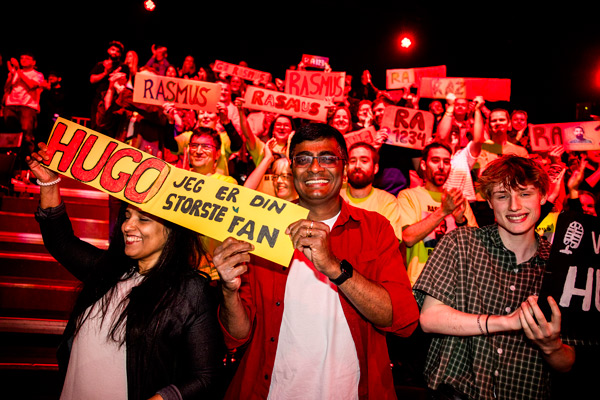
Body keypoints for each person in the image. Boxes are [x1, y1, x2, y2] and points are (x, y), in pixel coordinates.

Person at [213, 122, 419, 399]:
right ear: (292, 169)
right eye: (303, 159)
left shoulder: (375, 228)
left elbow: (403, 320)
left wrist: (334, 267)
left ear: (344, 169)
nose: (314, 168)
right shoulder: (265, 227)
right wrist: (229, 290)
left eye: (327, 158)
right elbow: (237, 335)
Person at [26, 144, 224, 400]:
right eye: (127, 215)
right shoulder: (109, 270)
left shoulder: (190, 290)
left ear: (172, 230)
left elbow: (207, 376)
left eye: (143, 219)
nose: (127, 226)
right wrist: (49, 182)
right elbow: (59, 241)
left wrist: (163, 398)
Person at [413, 155, 575, 400]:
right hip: (455, 393)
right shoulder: (461, 243)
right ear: (489, 201)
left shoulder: (561, 267)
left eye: (525, 194)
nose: (514, 206)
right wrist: (506, 322)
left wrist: (551, 346)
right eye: (502, 196)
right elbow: (429, 318)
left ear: (543, 196)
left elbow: (567, 362)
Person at [397, 142, 478, 286]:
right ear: (423, 165)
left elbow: (476, 248)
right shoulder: (409, 196)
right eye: (435, 160)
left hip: (455, 283)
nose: (441, 166)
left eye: (446, 162)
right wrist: (443, 211)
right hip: (420, 283)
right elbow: (408, 237)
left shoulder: (459, 199)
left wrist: (461, 221)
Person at [340, 141, 403, 241]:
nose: (357, 166)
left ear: (376, 168)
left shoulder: (387, 201)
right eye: (352, 161)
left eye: (364, 161)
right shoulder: (334, 197)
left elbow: (388, 243)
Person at [3, 52, 45, 158]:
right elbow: (6, 88)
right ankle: (11, 159)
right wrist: (12, 75)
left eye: (27, 58)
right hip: (11, 104)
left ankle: (27, 161)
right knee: (11, 135)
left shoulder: (37, 74)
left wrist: (18, 70)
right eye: (22, 58)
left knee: (27, 136)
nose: (23, 60)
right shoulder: (15, 72)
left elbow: (31, 85)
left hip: (27, 106)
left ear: (33, 62)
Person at [89, 41, 126, 129]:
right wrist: (105, 73)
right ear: (108, 50)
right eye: (113, 49)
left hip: (114, 101)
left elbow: (124, 83)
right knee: (95, 125)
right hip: (98, 99)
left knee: (111, 127)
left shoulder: (122, 67)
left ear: (120, 54)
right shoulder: (100, 64)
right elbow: (92, 79)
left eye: (118, 51)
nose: (115, 52)